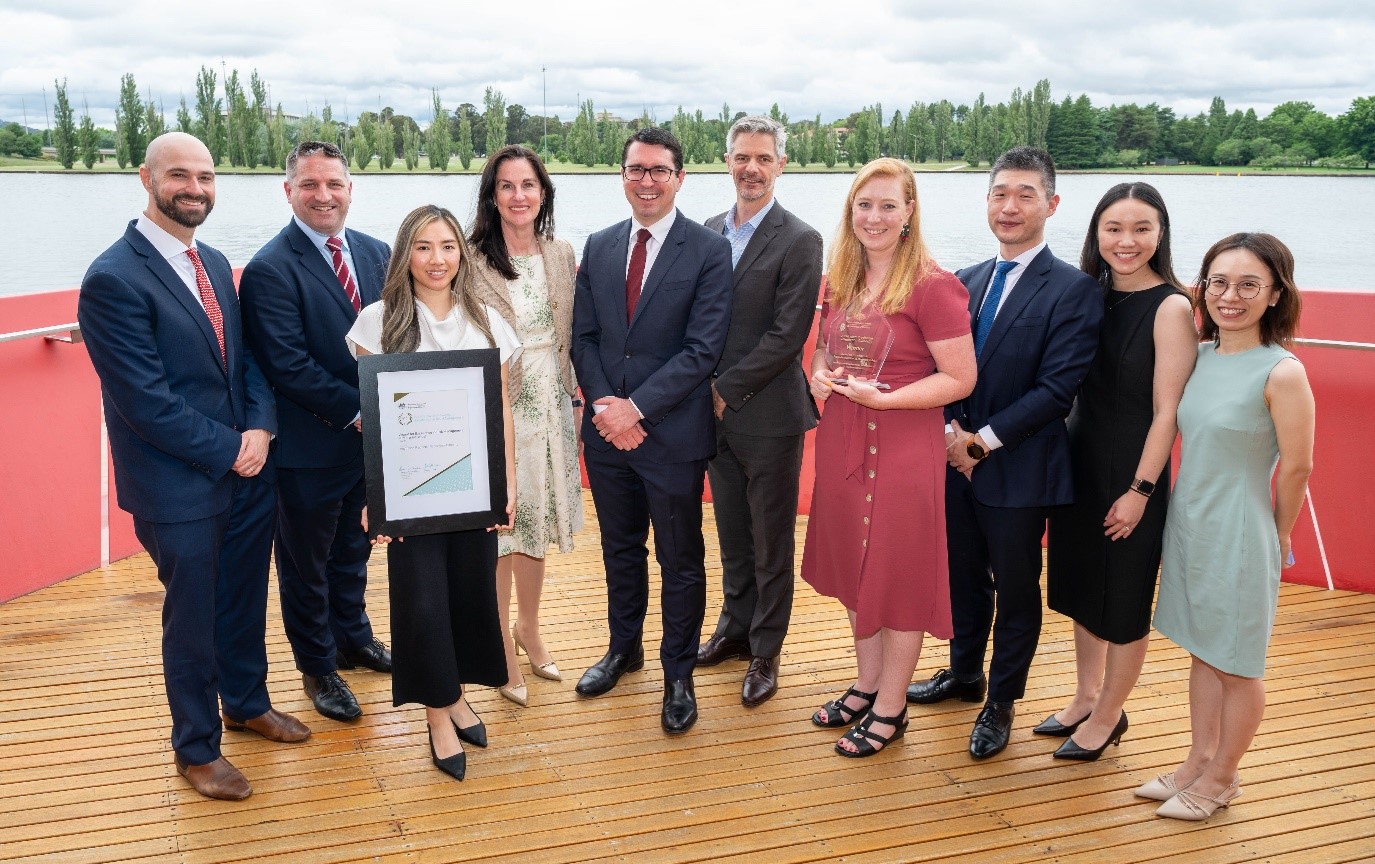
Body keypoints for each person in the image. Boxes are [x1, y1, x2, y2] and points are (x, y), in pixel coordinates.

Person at [77, 132, 309, 801]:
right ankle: (196, 747)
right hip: (177, 485)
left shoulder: (211, 261)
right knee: (194, 615)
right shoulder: (112, 279)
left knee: (242, 598)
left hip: (246, 470)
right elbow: (145, 402)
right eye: (180, 175)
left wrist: (260, 427)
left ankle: (245, 702)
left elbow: (247, 363)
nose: (195, 188)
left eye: (206, 176)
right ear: (146, 179)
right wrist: (232, 449)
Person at [906, 146, 1102, 761]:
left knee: (1016, 590)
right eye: (999, 193)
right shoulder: (964, 281)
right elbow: (939, 368)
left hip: (1018, 468)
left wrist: (978, 442)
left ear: (1052, 203)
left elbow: (1056, 389)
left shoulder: (1074, 291)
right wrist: (948, 438)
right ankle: (964, 674)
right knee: (962, 577)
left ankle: (1001, 701)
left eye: (1025, 194)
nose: (1010, 206)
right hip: (954, 465)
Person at [802, 158, 977, 757]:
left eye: (886, 206)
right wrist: (821, 377)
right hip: (846, 434)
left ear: (909, 214)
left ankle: (893, 708)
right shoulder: (840, 280)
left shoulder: (933, 284)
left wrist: (892, 398)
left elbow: (960, 377)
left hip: (904, 445)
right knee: (858, 567)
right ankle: (868, 684)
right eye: (863, 205)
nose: (873, 217)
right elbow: (826, 354)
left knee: (898, 573)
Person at [1143, 233, 1314, 820]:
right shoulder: (1205, 356)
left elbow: (1297, 466)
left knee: (1238, 664)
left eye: (1248, 285)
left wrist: (1281, 533)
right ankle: (1196, 762)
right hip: (1193, 524)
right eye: (1218, 282)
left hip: (1241, 532)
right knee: (1204, 650)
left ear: (1275, 295)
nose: (1229, 296)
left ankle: (1223, 778)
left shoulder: (1283, 372)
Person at [345, 205, 518, 782]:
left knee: (468, 596)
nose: (437, 259)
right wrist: (379, 496)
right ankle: (437, 716)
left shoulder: (487, 322)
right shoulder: (378, 322)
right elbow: (374, 421)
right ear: (405, 256)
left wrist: (506, 486)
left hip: (471, 491)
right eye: (423, 247)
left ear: (461, 254)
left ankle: (458, 695)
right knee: (423, 603)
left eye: (448, 246)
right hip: (410, 496)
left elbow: (501, 415)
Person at [570, 127, 733, 734]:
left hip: (671, 436)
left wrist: (634, 410)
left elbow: (702, 349)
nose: (647, 181)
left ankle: (678, 675)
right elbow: (584, 337)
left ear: (680, 178)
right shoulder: (601, 244)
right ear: (623, 176)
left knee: (680, 558)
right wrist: (608, 409)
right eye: (636, 169)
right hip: (609, 436)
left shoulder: (710, 250)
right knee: (619, 549)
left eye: (659, 171)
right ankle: (623, 648)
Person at [1041, 183, 1197, 760]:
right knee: (1083, 590)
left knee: (1125, 600)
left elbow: (1168, 411)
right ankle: (1085, 696)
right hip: (1078, 464)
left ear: (1161, 234)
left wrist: (1139, 491)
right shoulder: (1089, 294)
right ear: (1096, 234)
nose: (1126, 241)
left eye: (1141, 228)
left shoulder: (1172, 307)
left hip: (1133, 474)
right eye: (1114, 228)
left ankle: (1110, 713)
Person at [240, 140, 393, 724]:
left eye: (334, 184)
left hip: (371, 445)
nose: (323, 195)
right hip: (310, 447)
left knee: (354, 548)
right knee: (305, 563)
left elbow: (398, 334)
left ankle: (353, 638)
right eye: (310, 185)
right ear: (289, 192)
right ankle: (318, 665)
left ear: (351, 189)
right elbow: (288, 365)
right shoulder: (270, 269)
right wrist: (365, 410)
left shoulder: (378, 253)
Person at [696, 116, 823, 707]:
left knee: (772, 540)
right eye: (742, 157)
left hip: (769, 415)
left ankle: (767, 650)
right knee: (731, 532)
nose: (752, 168)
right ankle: (735, 627)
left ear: (780, 165)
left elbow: (787, 333)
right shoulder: (704, 232)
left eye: (764, 158)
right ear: (728, 161)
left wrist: (724, 387)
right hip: (712, 418)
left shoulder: (800, 239)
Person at [469, 145, 584, 708]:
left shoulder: (561, 252)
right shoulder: (468, 257)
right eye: (507, 185)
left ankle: (530, 629)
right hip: (497, 407)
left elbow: (576, 330)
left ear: (544, 193)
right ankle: (498, 648)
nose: (519, 195)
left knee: (535, 527)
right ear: (492, 195)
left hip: (552, 401)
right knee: (502, 529)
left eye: (529, 185)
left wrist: (581, 397)